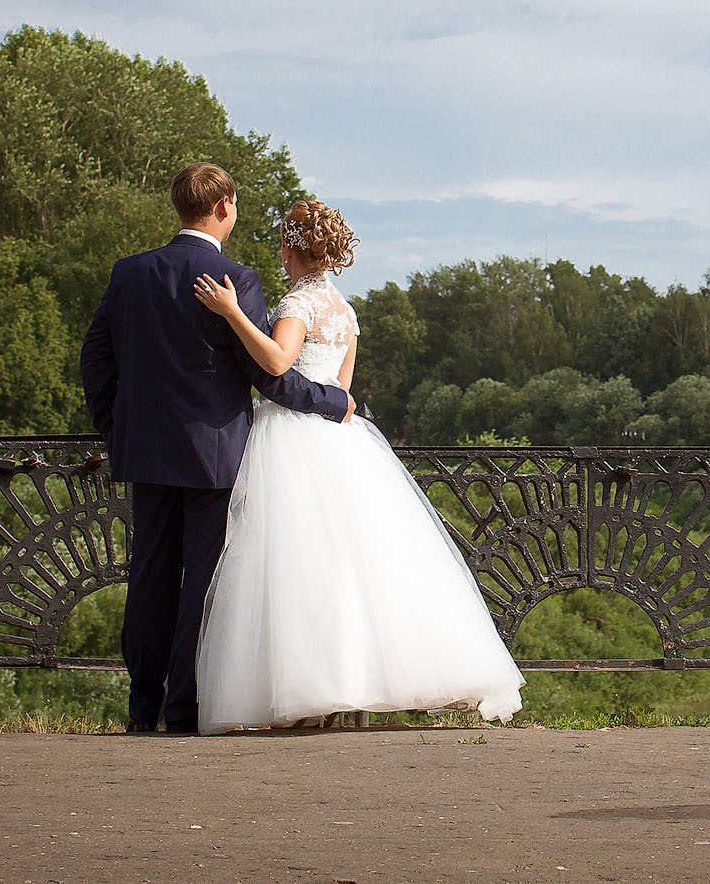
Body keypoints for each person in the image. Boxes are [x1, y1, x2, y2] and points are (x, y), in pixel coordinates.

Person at [189, 199, 524, 731]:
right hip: (339, 441)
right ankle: (356, 692)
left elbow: (276, 363)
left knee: (291, 564)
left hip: (288, 437)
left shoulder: (298, 303)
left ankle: (306, 692)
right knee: (351, 567)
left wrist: (231, 313)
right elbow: (341, 391)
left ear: (291, 248)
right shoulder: (344, 310)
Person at [79, 163, 355, 734]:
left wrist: (118, 430)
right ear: (225, 207)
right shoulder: (236, 280)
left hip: (147, 455)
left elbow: (96, 359)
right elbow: (268, 377)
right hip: (215, 455)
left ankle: (140, 711)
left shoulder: (129, 273)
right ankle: (183, 711)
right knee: (201, 586)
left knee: (149, 578)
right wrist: (334, 404)